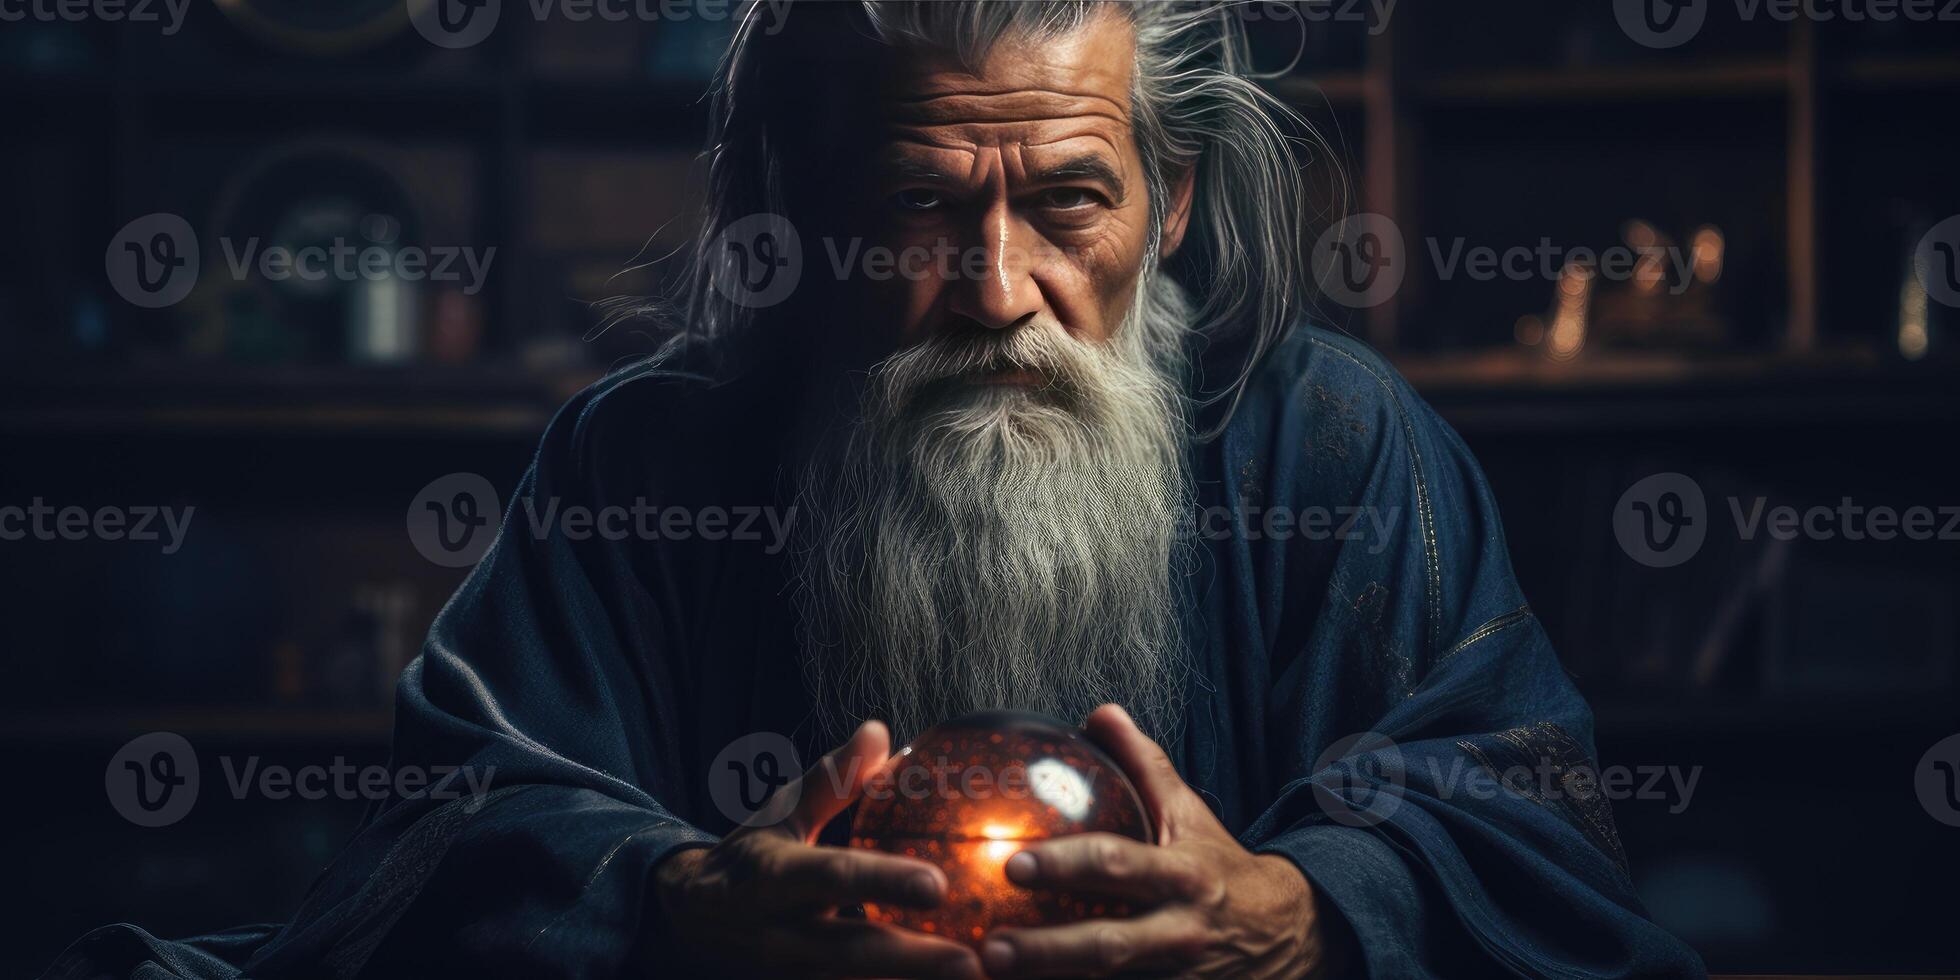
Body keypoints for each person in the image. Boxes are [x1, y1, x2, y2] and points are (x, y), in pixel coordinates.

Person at [50, 3, 1706, 977]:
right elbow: (453, 832)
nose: (997, 287)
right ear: (799, 193)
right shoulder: (647, 469)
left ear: (1174, 200)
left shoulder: (1333, 453)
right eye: (920, 202)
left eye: (1069, 200)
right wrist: (675, 904)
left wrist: (1306, 916)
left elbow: (1518, 821)